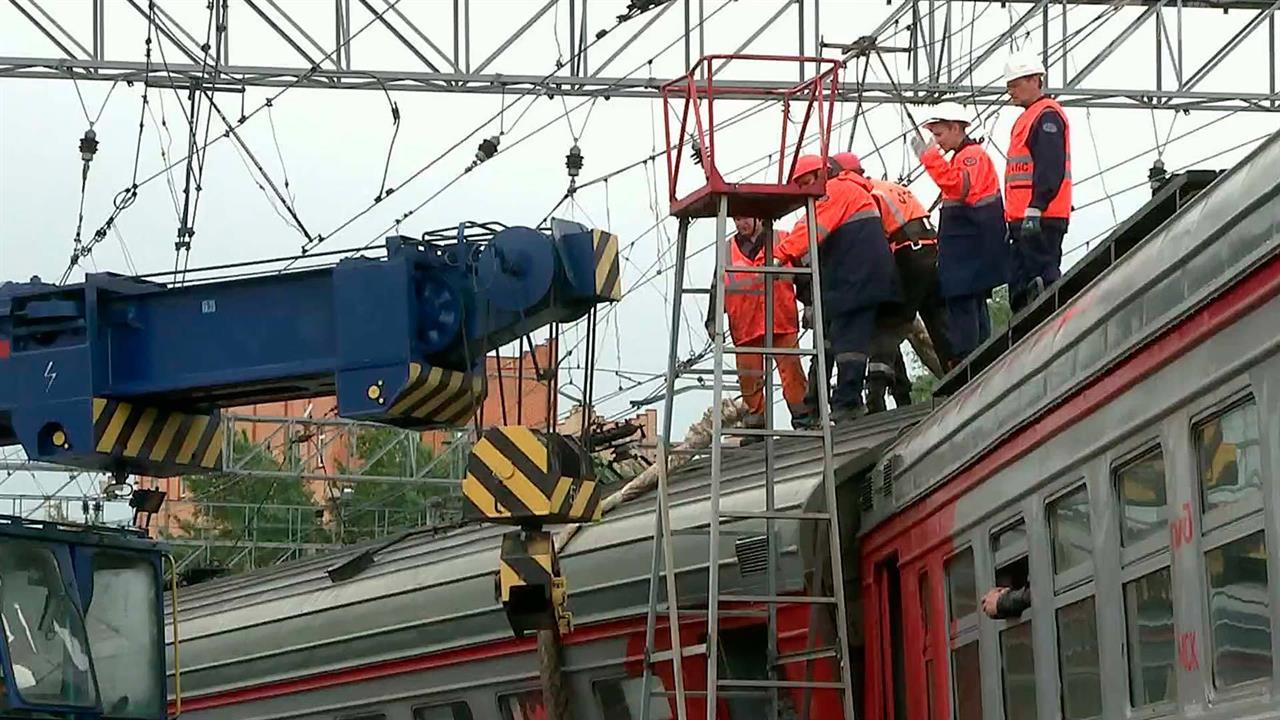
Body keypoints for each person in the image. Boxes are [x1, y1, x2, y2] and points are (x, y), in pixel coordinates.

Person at [775, 155, 900, 422]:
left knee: (849, 342)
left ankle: (847, 403)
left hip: (857, 279)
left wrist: (780, 254)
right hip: (863, 277)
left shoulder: (836, 190)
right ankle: (854, 400)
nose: (807, 190)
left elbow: (811, 229)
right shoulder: (850, 190)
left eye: (807, 182)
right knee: (853, 339)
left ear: (824, 173)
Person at [831, 152, 951, 412]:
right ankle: (957, 376)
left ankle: (876, 394)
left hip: (907, 253)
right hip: (930, 249)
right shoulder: (889, 187)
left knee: (888, 324)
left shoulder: (864, 195)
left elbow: (871, 238)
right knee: (938, 320)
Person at [912, 102, 1009, 365]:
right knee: (971, 302)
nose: (937, 142)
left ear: (956, 128)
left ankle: (970, 358)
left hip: (968, 248)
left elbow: (958, 187)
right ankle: (980, 355)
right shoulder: (966, 157)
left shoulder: (970, 157)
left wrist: (929, 158)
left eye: (939, 134)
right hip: (972, 246)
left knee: (962, 300)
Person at [705, 217, 814, 431]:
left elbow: (804, 279)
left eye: (743, 218)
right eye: (736, 219)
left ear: (758, 219)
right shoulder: (727, 250)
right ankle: (756, 427)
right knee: (749, 379)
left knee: (792, 374)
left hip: (780, 321)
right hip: (745, 326)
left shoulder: (784, 240)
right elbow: (717, 288)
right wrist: (712, 320)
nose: (739, 224)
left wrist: (810, 305)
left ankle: (803, 420)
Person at [1003, 52, 1071, 312]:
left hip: (1040, 218)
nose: (1011, 92)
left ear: (1035, 80)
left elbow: (1049, 166)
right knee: (1022, 289)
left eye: (1015, 85)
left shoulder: (1046, 116)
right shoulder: (1031, 117)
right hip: (1027, 218)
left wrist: (1036, 206)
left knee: (1038, 283)